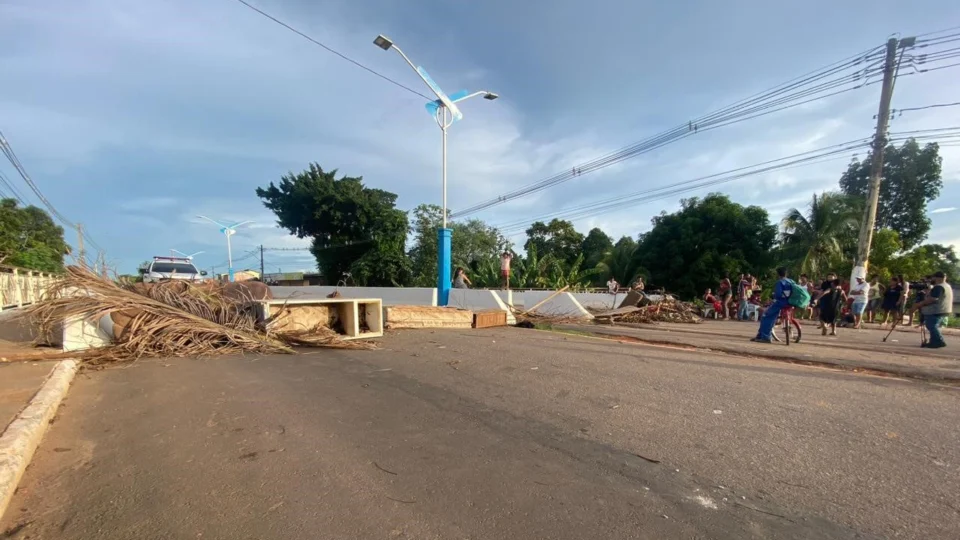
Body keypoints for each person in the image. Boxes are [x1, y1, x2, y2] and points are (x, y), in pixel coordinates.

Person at [911, 271, 953, 348]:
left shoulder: (939, 287)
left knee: (931, 325)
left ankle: (939, 341)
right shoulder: (947, 286)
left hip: (936, 310)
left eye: (933, 277)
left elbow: (932, 299)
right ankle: (933, 341)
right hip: (944, 309)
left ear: (937, 278)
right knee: (933, 325)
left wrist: (920, 304)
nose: (932, 279)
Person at [751, 267, 793, 343]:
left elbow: (778, 295)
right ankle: (760, 335)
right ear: (786, 274)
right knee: (769, 316)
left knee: (765, 317)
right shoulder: (791, 281)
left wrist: (774, 296)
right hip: (789, 303)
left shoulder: (780, 282)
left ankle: (766, 337)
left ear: (778, 274)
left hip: (780, 303)